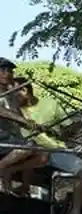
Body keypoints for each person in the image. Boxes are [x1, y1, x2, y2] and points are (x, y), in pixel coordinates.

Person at [19, 77, 82, 214]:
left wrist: (61, 133)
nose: (12, 98)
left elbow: (69, 127)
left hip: (56, 149)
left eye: (15, 94)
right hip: (31, 150)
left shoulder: (50, 103)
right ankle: (21, 188)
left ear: (24, 91)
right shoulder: (13, 109)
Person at [0, 66, 48, 195]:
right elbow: (3, 112)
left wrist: (36, 126)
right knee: (28, 146)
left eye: (9, 71)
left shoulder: (12, 97)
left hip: (11, 140)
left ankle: (21, 186)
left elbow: (20, 119)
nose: (7, 74)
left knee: (43, 155)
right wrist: (25, 122)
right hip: (2, 140)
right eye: (3, 70)